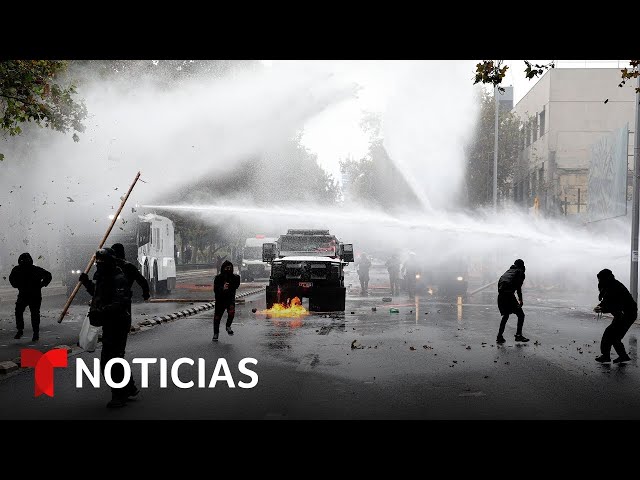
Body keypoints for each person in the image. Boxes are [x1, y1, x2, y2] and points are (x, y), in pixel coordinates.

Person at [79, 248, 138, 408]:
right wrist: (87, 283)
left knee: (111, 362)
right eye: (97, 262)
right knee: (113, 360)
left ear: (110, 263)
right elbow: (98, 294)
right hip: (108, 324)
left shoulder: (119, 279)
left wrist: (101, 312)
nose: (99, 265)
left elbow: (119, 303)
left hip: (119, 323)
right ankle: (129, 387)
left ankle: (119, 395)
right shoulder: (104, 278)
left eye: (102, 263)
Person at [594, 269, 637, 363]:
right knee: (612, 335)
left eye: (600, 279)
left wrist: (602, 309)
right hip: (621, 314)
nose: (599, 281)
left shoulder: (615, 287)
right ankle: (619, 356)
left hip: (628, 314)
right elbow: (607, 300)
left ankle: (609, 356)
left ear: (605, 278)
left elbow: (616, 305)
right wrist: (599, 306)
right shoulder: (608, 286)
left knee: (612, 335)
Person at [9, 252, 52, 341]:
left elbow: (12, 279)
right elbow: (48, 275)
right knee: (34, 314)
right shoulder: (36, 269)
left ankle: (20, 330)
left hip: (24, 294)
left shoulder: (17, 269)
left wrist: (17, 285)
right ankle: (35, 333)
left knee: (19, 312)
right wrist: (42, 284)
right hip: (34, 294)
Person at [496, 259, 529, 344]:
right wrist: (520, 300)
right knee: (521, 315)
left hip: (501, 296)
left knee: (505, 316)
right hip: (508, 295)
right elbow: (518, 288)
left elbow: (500, 283)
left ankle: (499, 336)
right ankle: (518, 336)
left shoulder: (509, 271)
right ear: (522, 266)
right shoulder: (520, 272)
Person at [212, 260, 241, 341]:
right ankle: (216, 333)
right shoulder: (218, 278)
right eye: (226, 268)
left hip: (230, 299)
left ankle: (228, 326)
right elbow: (215, 289)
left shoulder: (235, 278)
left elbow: (236, 286)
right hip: (220, 300)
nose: (228, 270)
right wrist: (222, 288)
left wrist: (230, 284)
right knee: (217, 318)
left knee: (231, 313)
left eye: (230, 268)